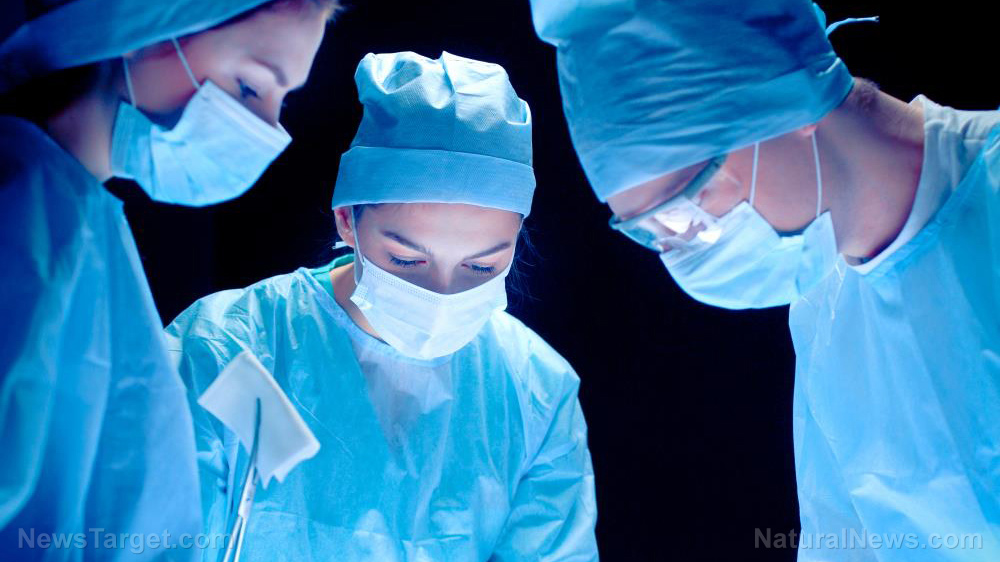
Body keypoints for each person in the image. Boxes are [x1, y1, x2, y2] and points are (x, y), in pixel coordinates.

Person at [530, 0, 999, 560]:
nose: (683, 255)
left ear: (787, 104)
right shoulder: (827, 305)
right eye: (653, 232)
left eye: (686, 206)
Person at [166, 51, 599, 561]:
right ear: (347, 220)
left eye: (481, 267)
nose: (442, 294)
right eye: (407, 260)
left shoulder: (534, 391)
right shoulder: (231, 353)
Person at [0, 0, 338, 557]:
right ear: (149, 26)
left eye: (283, 101)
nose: (268, 129)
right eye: (251, 87)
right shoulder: (27, 204)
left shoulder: (82, 216)